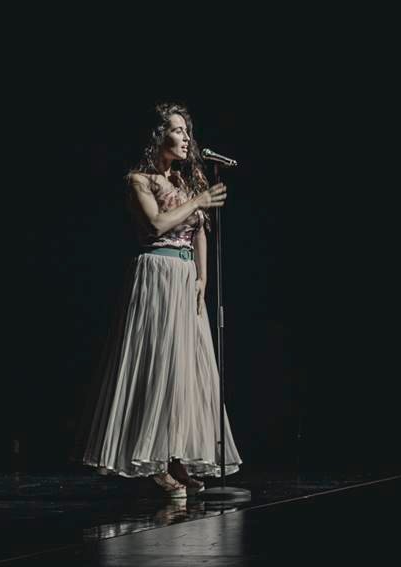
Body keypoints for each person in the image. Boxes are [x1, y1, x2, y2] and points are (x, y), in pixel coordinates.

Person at [79, 102, 242, 498]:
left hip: (185, 277)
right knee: (158, 365)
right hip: (156, 273)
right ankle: (154, 462)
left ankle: (178, 459)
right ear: (158, 136)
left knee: (186, 369)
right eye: (178, 130)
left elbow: (200, 230)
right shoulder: (139, 180)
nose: (186, 138)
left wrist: (203, 276)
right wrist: (198, 202)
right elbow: (156, 223)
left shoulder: (187, 182)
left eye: (187, 131)